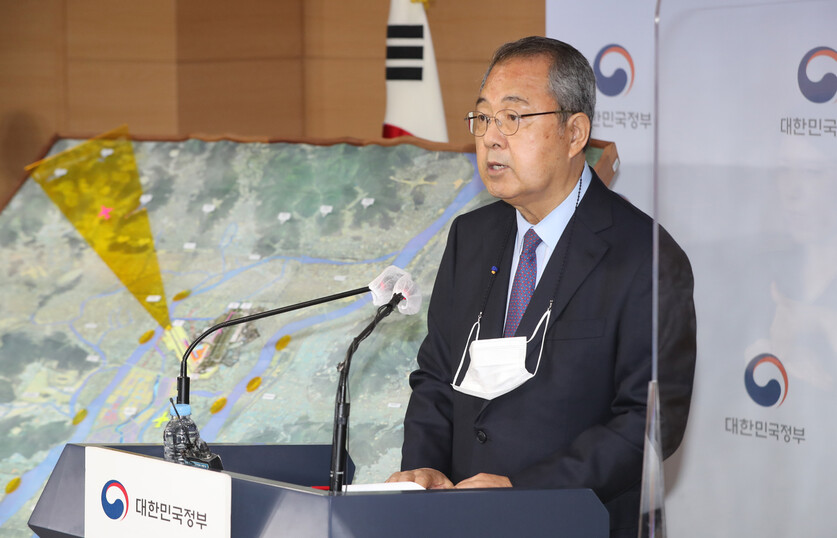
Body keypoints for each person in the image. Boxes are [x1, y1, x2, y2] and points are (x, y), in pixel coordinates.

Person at [386, 36, 696, 537]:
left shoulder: (646, 257)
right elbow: (437, 376)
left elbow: (649, 423)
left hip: (578, 523)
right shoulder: (472, 237)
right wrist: (424, 469)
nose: (490, 137)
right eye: (483, 118)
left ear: (575, 133)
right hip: (461, 522)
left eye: (513, 118)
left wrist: (524, 490)